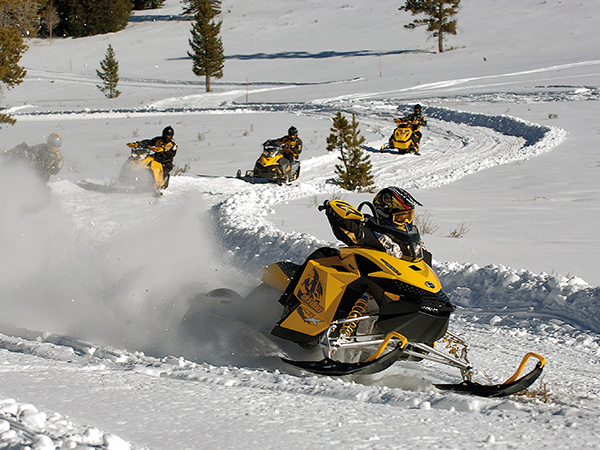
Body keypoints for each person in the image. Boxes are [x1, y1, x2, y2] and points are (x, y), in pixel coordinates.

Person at [319, 186, 432, 265]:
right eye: (400, 217)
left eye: (409, 216)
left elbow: (425, 258)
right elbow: (352, 228)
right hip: (377, 274)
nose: (405, 221)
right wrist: (337, 216)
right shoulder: (371, 226)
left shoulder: (409, 234)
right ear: (385, 214)